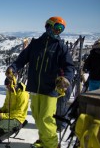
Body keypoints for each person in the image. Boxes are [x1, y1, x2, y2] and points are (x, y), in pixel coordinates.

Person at [6, 16, 75, 148]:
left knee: (46, 119)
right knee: (38, 117)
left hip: (51, 89)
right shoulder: (36, 44)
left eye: (61, 29)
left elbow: (69, 66)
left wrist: (66, 78)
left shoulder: (60, 47)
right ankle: (43, 142)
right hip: (35, 88)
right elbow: (22, 59)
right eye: (57, 27)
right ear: (48, 25)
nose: (58, 32)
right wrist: (13, 68)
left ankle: (52, 145)